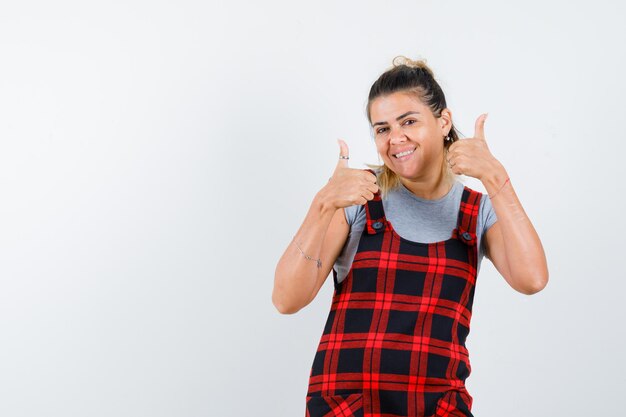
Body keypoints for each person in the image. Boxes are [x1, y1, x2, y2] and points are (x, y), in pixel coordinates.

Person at [272, 55, 548, 417]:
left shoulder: (477, 211)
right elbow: (286, 299)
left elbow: (532, 279)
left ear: (443, 121)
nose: (395, 138)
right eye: (382, 128)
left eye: (409, 121)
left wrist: (496, 177)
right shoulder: (358, 197)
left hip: (438, 407)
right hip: (347, 407)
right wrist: (322, 204)